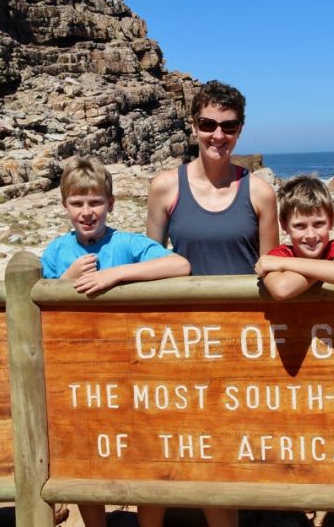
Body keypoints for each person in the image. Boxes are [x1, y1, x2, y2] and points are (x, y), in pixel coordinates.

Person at [144, 79, 278, 527]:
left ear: (240, 130)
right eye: (208, 124)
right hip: (181, 339)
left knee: (229, 442)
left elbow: (273, 267)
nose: (217, 136)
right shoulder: (165, 187)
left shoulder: (259, 192)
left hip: (243, 341)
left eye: (228, 126)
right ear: (193, 125)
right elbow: (150, 264)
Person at [41, 157, 191, 527]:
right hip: (81, 374)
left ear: (111, 203)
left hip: (132, 371)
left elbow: (179, 266)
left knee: (145, 454)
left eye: (95, 202)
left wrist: (117, 275)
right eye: (77, 203)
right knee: (85, 456)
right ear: (64, 206)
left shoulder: (127, 243)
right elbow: (40, 302)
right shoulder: (56, 253)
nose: (87, 212)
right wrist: (67, 281)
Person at [255, 175, 334, 301]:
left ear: (332, 220)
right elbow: (281, 289)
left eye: (319, 224)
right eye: (300, 226)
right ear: (284, 225)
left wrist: (284, 264)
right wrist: (331, 270)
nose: (311, 235)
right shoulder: (280, 254)